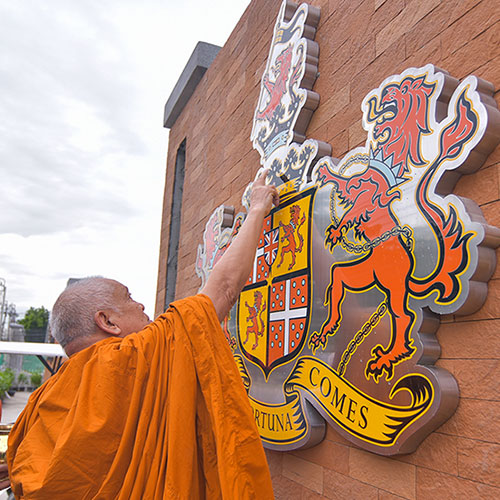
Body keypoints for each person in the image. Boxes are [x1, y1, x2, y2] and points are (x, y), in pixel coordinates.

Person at [7, 170, 279, 499]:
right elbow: (222, 288)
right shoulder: (127, 360)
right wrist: (258, 209)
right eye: (130, 300)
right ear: (107, 321)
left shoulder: (43, 400)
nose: (142, 307)